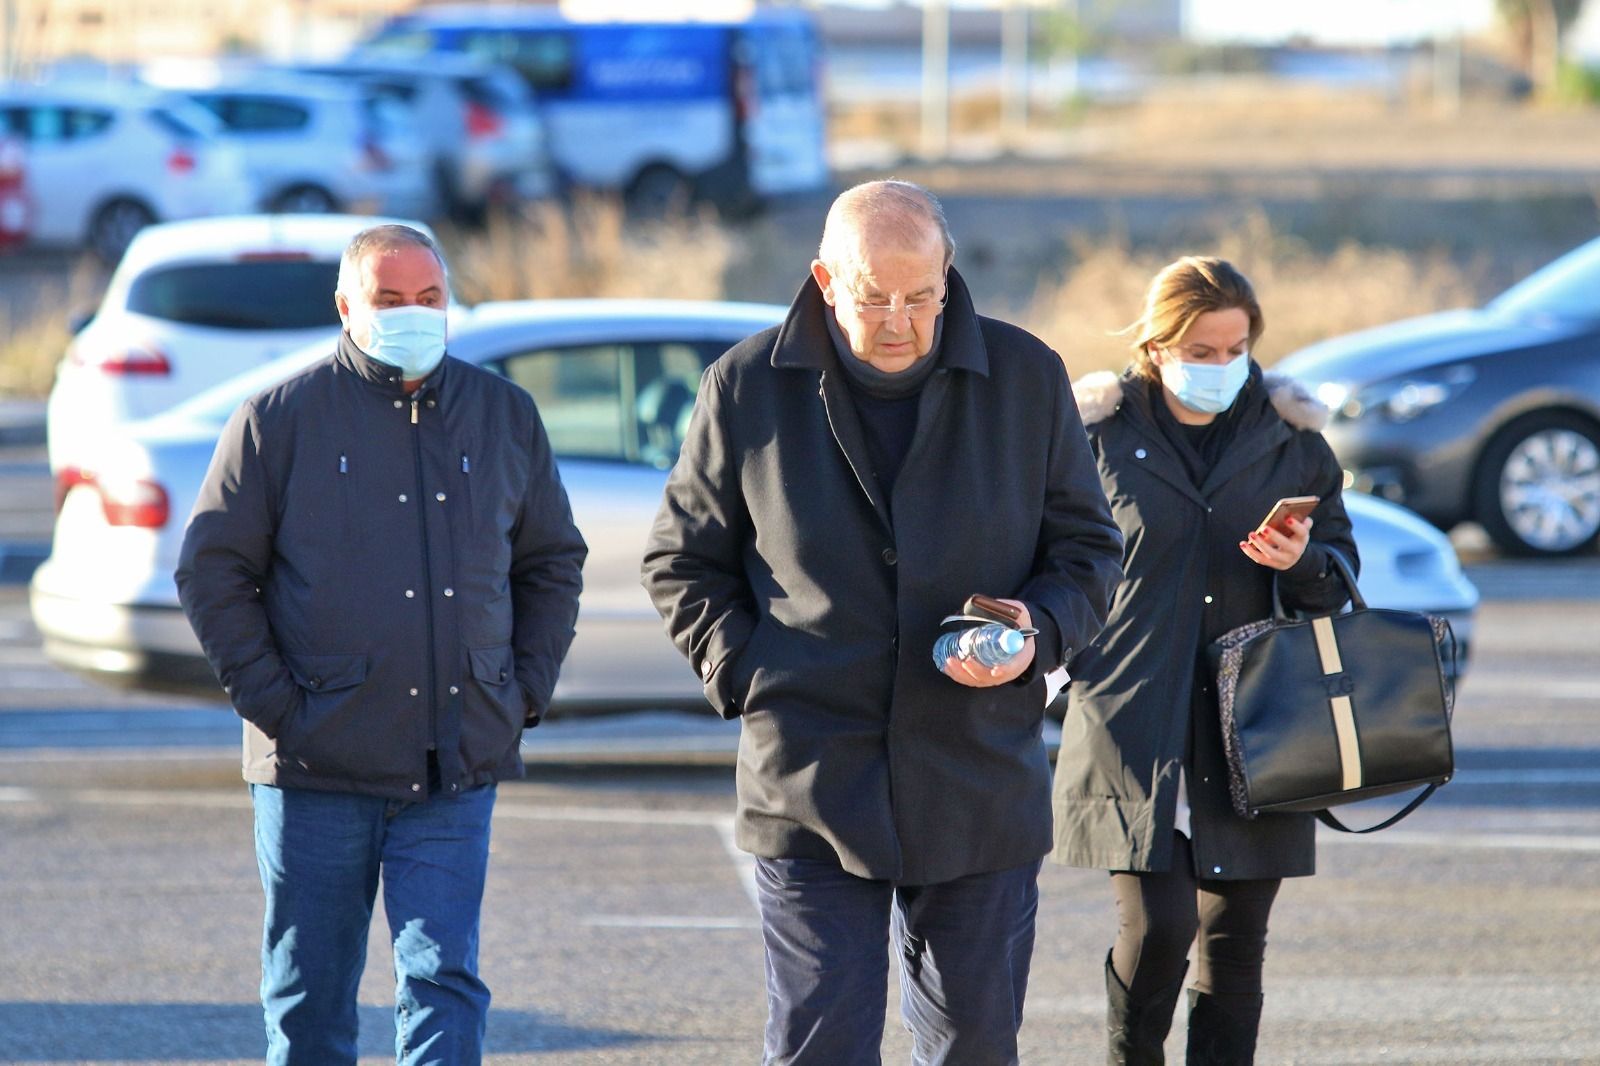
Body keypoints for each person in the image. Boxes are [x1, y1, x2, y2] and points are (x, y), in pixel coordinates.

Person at [641, 179, 1124, 1064]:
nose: (899, 319)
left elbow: (1090, 552)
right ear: (826, 280)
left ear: (948, 275)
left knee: (974, 1046)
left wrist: (1037, 632)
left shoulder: (1026, 377)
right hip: (810, 780)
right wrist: (753, 677)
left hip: (977, 777)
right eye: (873, 298)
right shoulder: (747, 385)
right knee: (819, 1045)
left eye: (921, 296)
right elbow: (681, 561)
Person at [176, 224, 586, 1065]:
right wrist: (280, 707)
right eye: (390, 301)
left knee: (445, 980)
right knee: (311, 994)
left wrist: (519, 693)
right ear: (345, 308)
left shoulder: (504, 415)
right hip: (315, 766)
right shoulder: (277, 421)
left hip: (456, 760)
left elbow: (550, 564)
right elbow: (213, 573)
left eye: (429, 298)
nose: (414, 315)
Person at [1050, 256, 1359, 1065]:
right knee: (1159, 928)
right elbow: (1054, 562)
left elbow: (1337, 582)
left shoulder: (1291, 444)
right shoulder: (1094, 436)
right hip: (1132, 716)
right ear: (1156, 346)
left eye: (1236, 350)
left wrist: (1299, 561)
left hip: (1258, 725)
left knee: (1235, 946)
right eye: (1203, 350)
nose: (1222, 367)